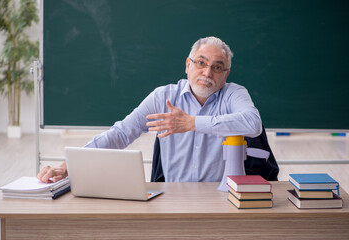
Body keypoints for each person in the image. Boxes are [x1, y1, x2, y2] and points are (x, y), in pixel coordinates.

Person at [37, 36, 262, 183]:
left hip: (220, 198)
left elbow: (253, 123)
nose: (207, 73)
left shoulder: (233, 93)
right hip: (173, 199)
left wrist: (191, 123)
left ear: (226, 74)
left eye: (217, 67)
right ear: (187, 65)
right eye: (201, 63)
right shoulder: (164, 96)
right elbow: (122, 133)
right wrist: (69, 165)